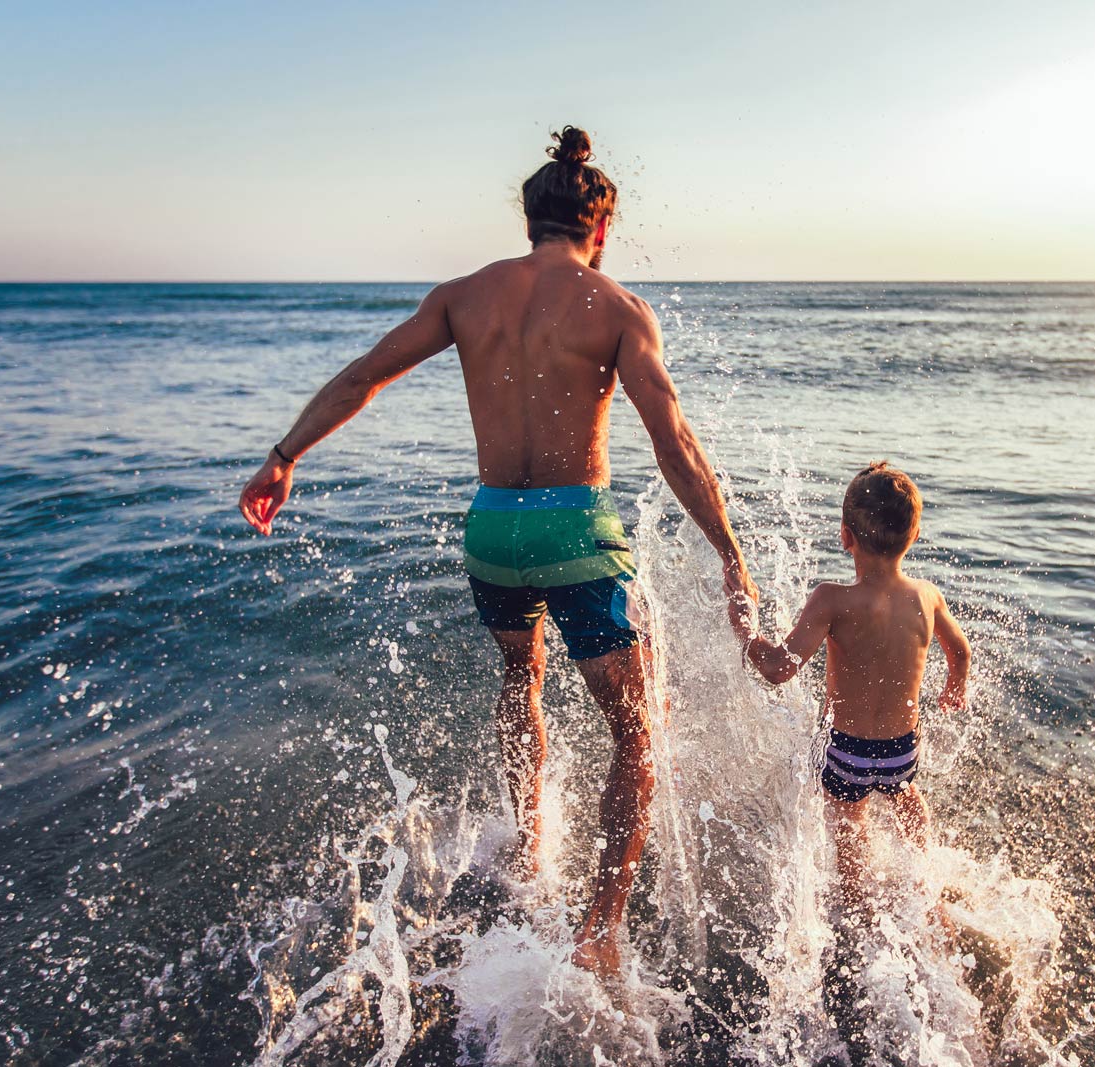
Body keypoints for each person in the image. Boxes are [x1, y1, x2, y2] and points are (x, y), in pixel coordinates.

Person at [238, 126, 756, 976]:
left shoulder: (462, 295)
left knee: (523, 679)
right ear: (602, 228)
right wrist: (731, 552)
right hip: (574, 533)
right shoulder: (618, 308)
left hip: (490, 534)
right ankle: (600, 928)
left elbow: (365, 374)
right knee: (639, 730)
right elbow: (676, 445)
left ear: (528, 221)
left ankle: (529, 844)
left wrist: (283, 456)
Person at [727, 463, 969, 920]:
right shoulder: (928, 596)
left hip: (848, 749)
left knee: (849, 821)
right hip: (901, 747)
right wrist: (954, 685)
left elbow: (780, 669)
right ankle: (925, 879)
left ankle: (856, 906)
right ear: (913, 537)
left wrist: (745, 629)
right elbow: (960, 651)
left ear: (845, 536)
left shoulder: (831, 599)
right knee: (905, 795)